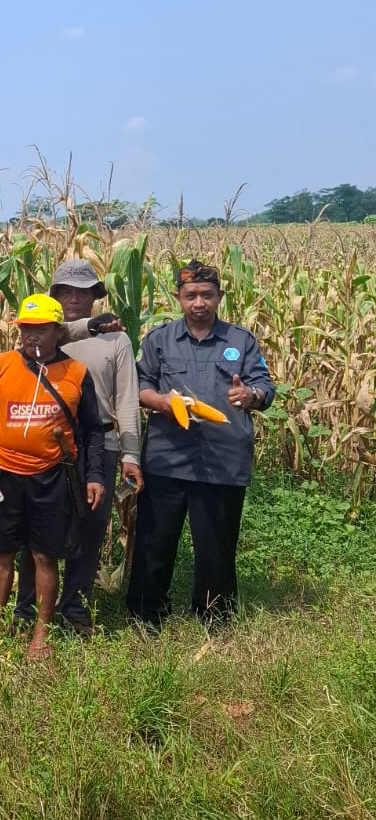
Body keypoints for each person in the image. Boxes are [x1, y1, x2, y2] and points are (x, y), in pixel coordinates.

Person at [126, 260, 273, 630]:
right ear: (179, 298)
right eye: (191, 295)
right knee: (155, 543)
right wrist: (162, 402)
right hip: (167, 458)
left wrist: (249, 394)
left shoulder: (241, 341)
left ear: (219, 297)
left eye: (207, 295)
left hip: (222, 460)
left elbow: (265, 386)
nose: (199, 303)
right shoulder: (158, 340)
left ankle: (214, 616)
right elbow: (140, 387)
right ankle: (146, 615)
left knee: (216, 547)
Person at [0, 293, 106, 661]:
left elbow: (92, 430)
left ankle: (41, 631)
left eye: (40, 330)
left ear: (58, 332)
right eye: (26, 329)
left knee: (45, 556)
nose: (32, 337)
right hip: (4, 474)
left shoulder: (76, 373)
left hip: (52, 478)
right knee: (0, 554)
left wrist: (94, 475)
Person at [15, 258, 142, 635]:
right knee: (36, 530)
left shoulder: (116, 339)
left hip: (99, 443)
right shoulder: (49, 335)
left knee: (90, 528)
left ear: (94, 296)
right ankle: (27, 610)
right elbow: (66, 333)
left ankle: (75, 606)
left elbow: (127, 401)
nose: (73, 298)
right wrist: (88, 325)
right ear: (54, 296)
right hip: (47, 442)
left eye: (82, 292)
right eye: (64, 291)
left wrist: (131, 454)